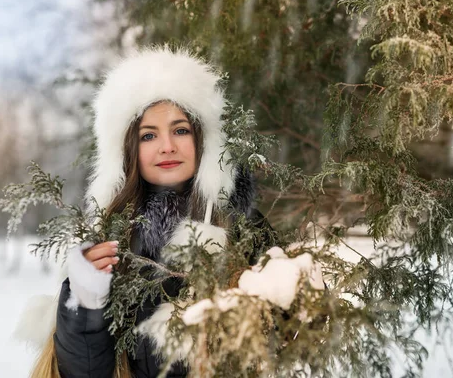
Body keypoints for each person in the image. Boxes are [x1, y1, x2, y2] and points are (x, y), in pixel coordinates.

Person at [27, 48, 275, 378]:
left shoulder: (244, 229)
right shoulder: (107, 244)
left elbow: (281, 345)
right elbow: (82, 373)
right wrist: (85, 303)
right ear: (127, 152)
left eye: (181, 130)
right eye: (148, 135)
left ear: (203, 140)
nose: (167, 146)